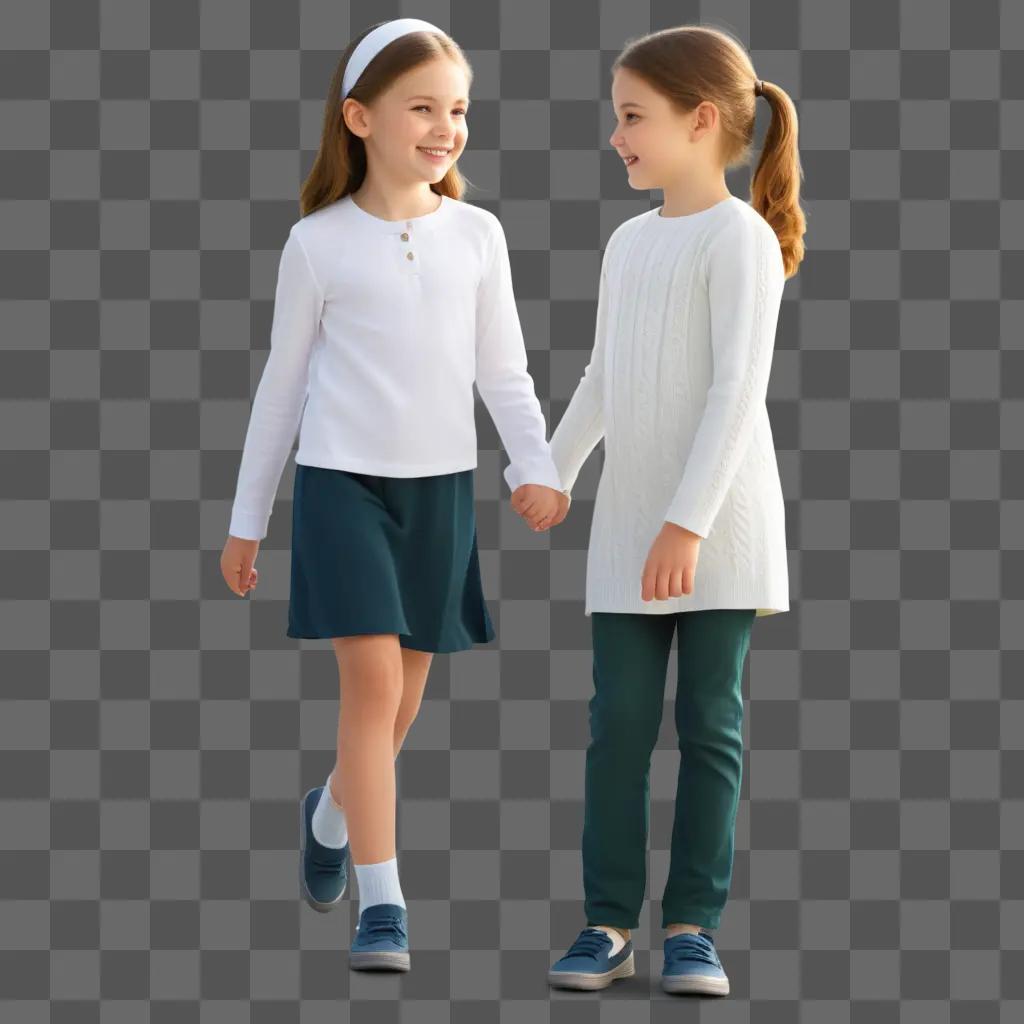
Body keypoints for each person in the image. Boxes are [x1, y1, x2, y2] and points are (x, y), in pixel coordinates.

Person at [218, 18, 564, 973]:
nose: (445, 126)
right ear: (360, 117)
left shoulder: (479, 235)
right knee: (371, 689)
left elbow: (505, 370)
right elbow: (280, 389)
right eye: (422, 108)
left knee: (403, 704)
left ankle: (331, 813)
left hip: (442, 493)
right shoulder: (316, 245)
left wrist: (533, 467)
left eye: (457, 109)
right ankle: (385, 903)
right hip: (343, 491)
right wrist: (247, 521)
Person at [532, 25, 807, 996]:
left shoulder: (740, 238)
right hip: (627, 530)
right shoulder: (626, 242)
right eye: (617, 118)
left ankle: (691, 924)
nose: (617, 136)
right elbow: (605, 375)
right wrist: (554, 469)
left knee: (709, 723)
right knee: (617, 724)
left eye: (633, 117)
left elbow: (738, 387)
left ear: (700, 121)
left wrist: (688, 524)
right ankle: (607, 922)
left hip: (716, 532)